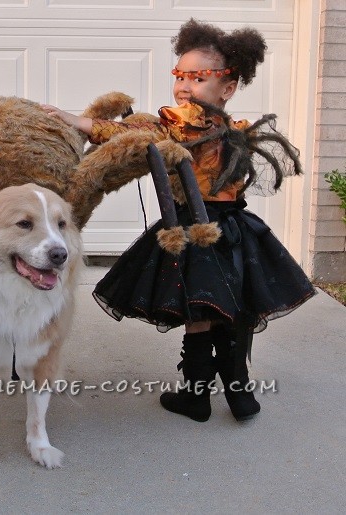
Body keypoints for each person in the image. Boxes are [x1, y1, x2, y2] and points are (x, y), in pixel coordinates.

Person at [42, 18, 316, 423]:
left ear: (227, 87)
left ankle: (197, 396)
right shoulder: (234, 128)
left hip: (197, 228)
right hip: (237, 232)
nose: (184, 85)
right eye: (179, 75)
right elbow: (139, 131)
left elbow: (133, 130)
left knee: (199, 313)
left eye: (198, 77)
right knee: (233, 309)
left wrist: (79, 122)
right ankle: (239, 396)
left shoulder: (180, 123)